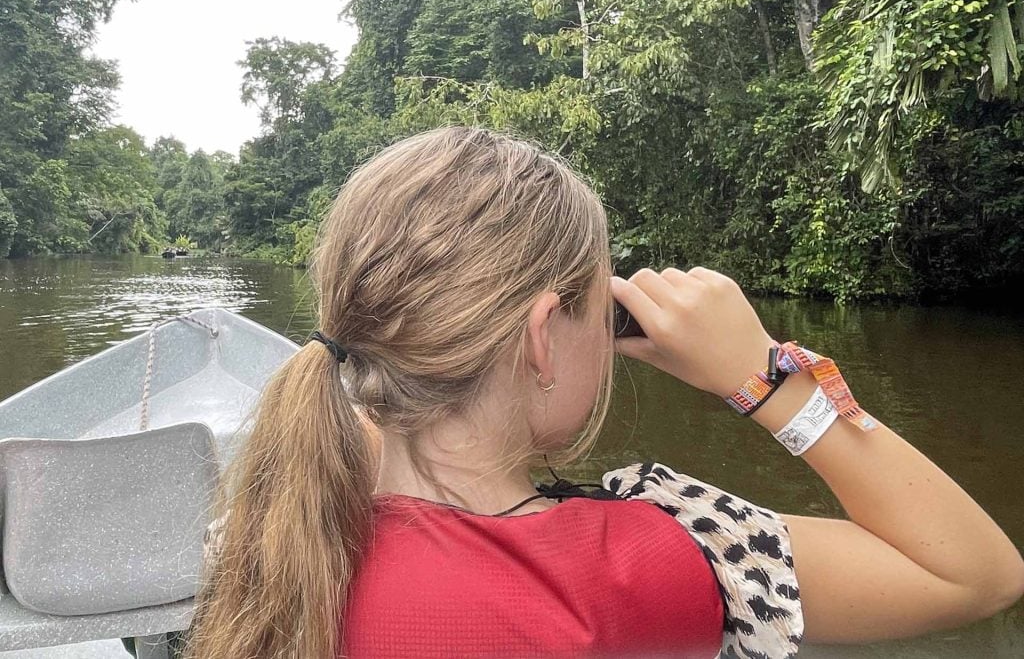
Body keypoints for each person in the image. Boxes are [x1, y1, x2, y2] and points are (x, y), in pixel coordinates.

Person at [185, 127, 1024, 659]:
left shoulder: (272, 524)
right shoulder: (661, 555)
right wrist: (764, 374)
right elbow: (975, 573)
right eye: (604, 302)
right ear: (544, 337)